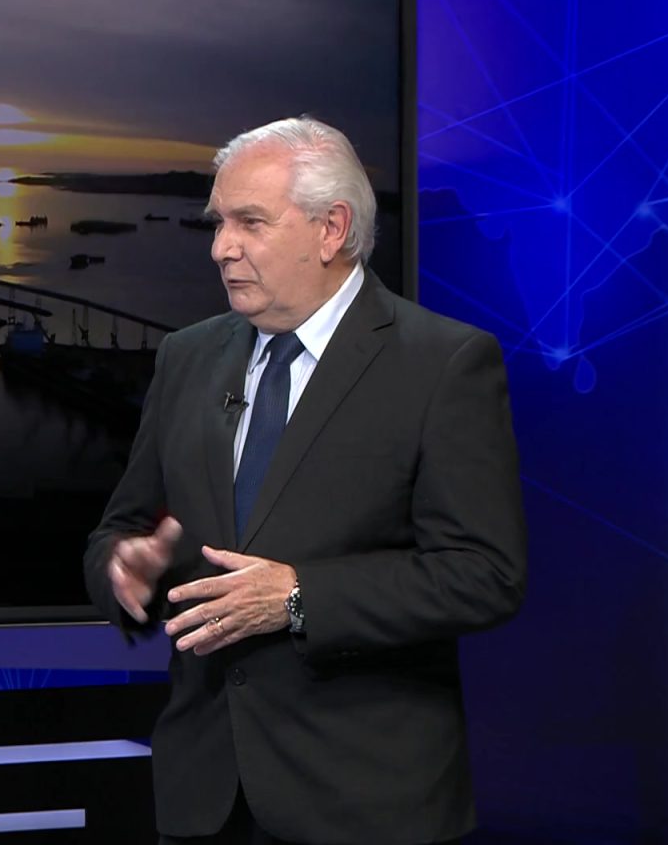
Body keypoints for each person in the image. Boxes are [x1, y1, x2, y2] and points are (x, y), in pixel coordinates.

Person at [82, 115, 527, 845]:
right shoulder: (187, 357)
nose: (221, 247)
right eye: (219, 223)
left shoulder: (442, 365)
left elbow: (484, 574)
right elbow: (122, 527)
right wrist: (124, 569)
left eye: (250, 222)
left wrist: (297, 598)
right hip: (204, 798)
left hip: (364, 801)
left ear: (332, 229)